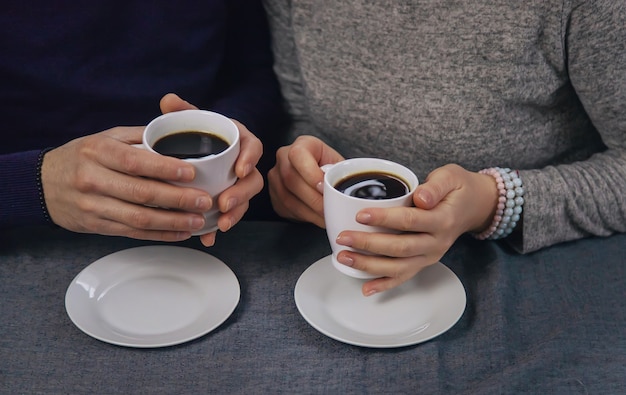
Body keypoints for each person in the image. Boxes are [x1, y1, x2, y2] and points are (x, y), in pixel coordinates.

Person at [262, 1, 626, 295]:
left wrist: (498, 203)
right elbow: (302, 112)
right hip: (331, 269)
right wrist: (298, 171)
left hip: (532, 271)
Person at [0, 1, 286, 247]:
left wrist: (234, 135)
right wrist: (35, 182)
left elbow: (253, 72)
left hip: (225, 234)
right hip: (33, 235)